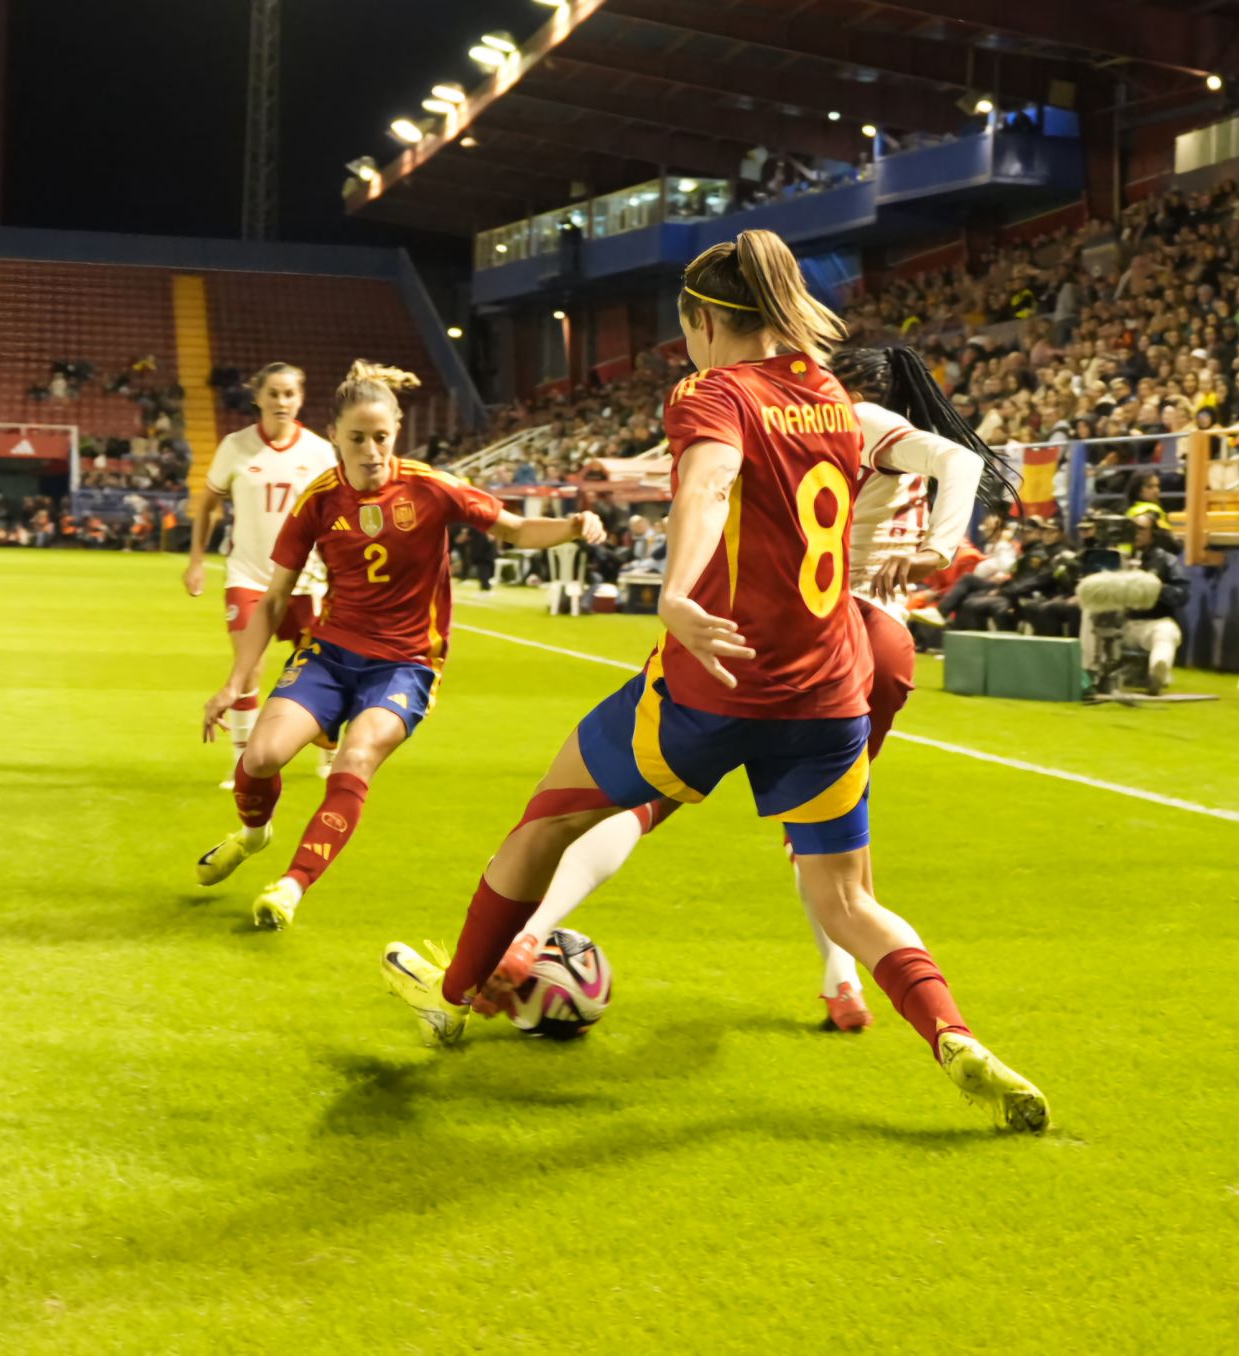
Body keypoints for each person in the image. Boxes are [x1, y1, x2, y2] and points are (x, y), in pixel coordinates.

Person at [379, 230, 1048, 1131]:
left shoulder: (712, 391)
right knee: (849, 899)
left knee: (546, 823)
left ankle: (452, 999)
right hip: (830, 692)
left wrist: (677, 594)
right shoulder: (828, 394)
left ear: (702, 322)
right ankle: (955, 1036)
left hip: (715, 682)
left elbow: (706, 487)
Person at [469, 342, 1008, 1033]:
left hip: (804, 636)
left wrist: (938, 544)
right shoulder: (874, 445)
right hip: (879, 652)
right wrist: (939, 543)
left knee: (640, 803)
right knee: (827, 847)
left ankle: (531, 930)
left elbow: (959, 459)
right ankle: (843, 984)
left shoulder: (844, 418)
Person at [195, 361, 605, 929]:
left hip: (407, 665)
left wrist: (571, 526)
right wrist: (236, 681)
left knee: (356, 757)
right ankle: (253, 834)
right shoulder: (318, 500)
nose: (371, 450)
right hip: (331, 654)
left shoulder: (432, 487)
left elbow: (511, 527)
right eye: (357, 438)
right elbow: (272, 600)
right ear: (334, 435)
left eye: (381, 437)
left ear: (397, 434)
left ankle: (292, 885)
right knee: (260, 757)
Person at [184, 363, 338, 788]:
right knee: (247, 667)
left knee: (322, 671)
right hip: (249, 576)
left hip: (307, 581)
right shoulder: (235, 446)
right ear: (258, 397)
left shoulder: (320, 452)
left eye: (289, 394)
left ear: (300, 398)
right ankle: (244, 763)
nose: (282, 402)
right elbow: (209, 503)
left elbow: (336, 516)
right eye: (274, 393)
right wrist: (197, 559)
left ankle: (329, 751)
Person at [1079, 507, 1187, 693]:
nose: (1135, 534)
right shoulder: (1113, 558)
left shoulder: (1166, 560)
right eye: (1132, 528)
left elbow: (1181, 595)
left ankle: (1157, 672)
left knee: (1167, 631)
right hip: (1120, 623)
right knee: (1091, 613)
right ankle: (1089, 672)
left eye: (1141, 529)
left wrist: (1152, 586)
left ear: (1153, 533)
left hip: (1151, 623)